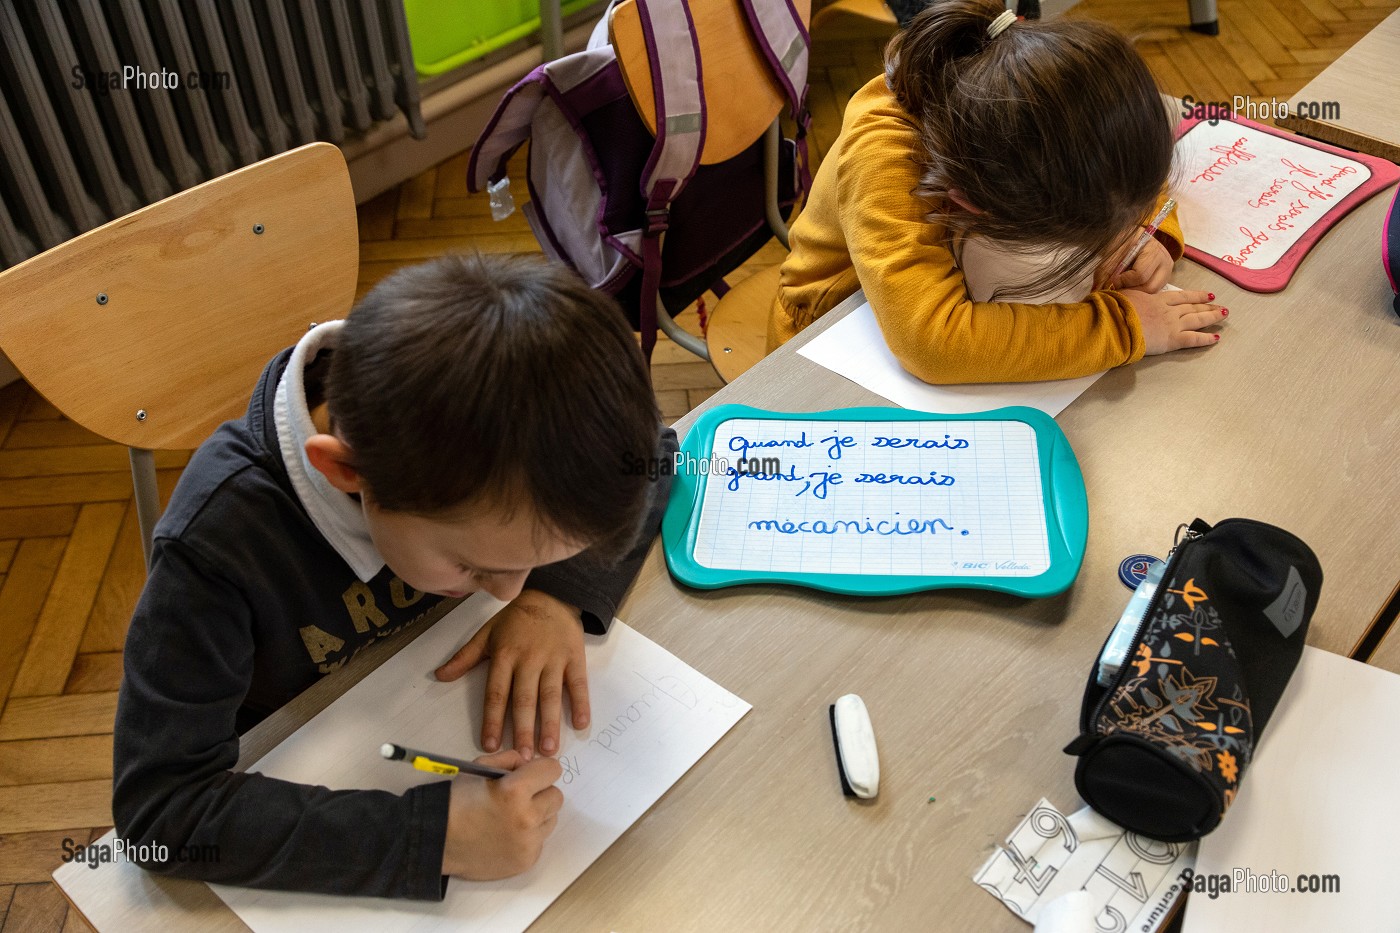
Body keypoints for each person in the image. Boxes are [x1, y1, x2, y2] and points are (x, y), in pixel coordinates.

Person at [112, 252, 677, 898]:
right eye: (475, 566)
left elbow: (655, 451)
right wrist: (429, 838)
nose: (509, 591)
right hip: (293, 747)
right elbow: (157, 814)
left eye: (533, 564)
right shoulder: (217, 544)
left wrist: (557, 597)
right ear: (347, 473)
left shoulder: (437, 426)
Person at [770, 0, 1227, 383]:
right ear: (972, 205)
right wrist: (1126, 328)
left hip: (955, 288)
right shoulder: (885, 159)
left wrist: (1149, 229)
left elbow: (1123, 158)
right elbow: (935, 343)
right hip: (829, 337)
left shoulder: (1035, 90)